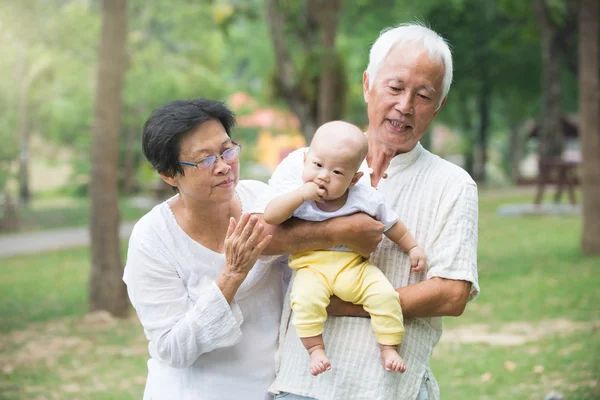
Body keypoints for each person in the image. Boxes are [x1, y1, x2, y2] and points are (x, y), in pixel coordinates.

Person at [268, 22, 480, 400]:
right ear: (367, 84)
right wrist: (337, 232)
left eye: (424, 95)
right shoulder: (305, 164)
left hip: (389, 389)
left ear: (439, 106)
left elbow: (453, 293)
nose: (405, 106)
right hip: (299, 386)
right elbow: (260, 238)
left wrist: (347, 304)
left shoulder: (452, 184)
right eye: (395, 87)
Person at [123, 98, 385, 400]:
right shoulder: (152, 238)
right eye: (205, 160)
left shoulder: (262, 199)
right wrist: (232, 275)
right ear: (169, 174)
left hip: (274, 390)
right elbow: (172, 349)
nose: (223, 167)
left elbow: (308, 270)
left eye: (227, 150)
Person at [263, 120, 427, 376]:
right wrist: (300, 196)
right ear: (305, 160)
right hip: (311, 267)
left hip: (354, 267)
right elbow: (271, 216)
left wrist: (413, 247)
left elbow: (392, 224)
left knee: (385, 296)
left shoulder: (365, 197)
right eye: (317, 165)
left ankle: (388, 347)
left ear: (354, 179)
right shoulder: (296, 194)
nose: (323, 176)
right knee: (304, 299)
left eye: (338, 172)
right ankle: (315, 348)